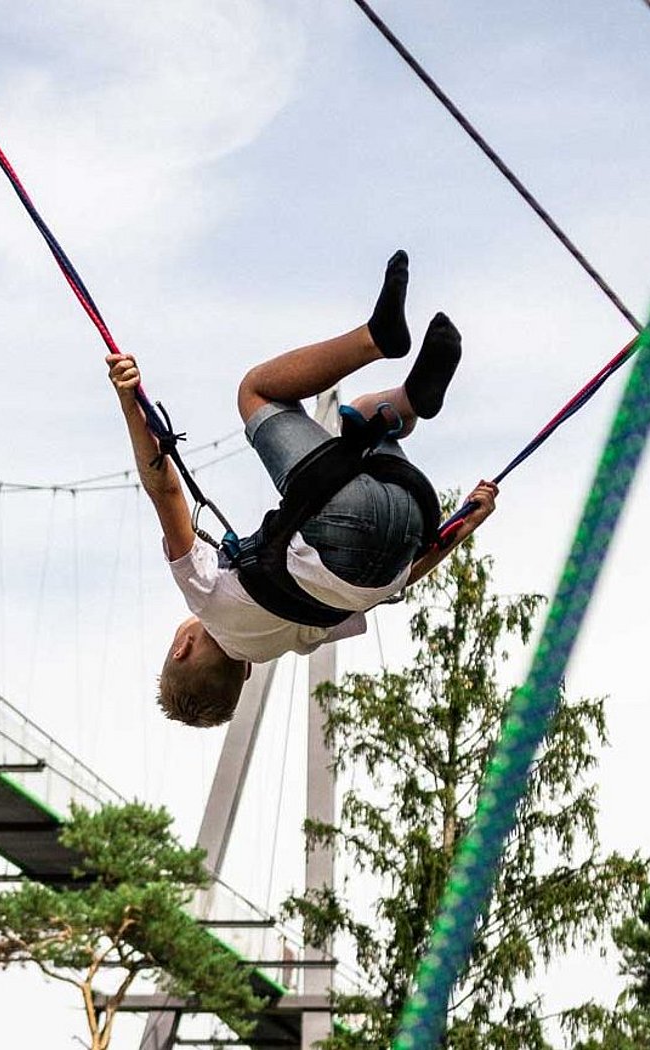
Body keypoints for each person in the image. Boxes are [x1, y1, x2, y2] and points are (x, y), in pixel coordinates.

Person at [107, 252, 498, 728]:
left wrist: (462, 526)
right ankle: (375, 339)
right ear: (183, 646)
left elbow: (389, 585)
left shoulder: (300, 639)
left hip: (413, 512)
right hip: (343, 511)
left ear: (248, 671)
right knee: (256, 392)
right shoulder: (205, 598)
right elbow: (165, 491)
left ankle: (409, 402)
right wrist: (131, 403)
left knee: (365, 417)